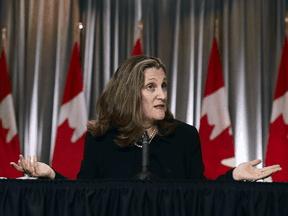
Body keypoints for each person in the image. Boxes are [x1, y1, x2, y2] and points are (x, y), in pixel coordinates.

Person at [11, 55, 281, 181]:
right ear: (130, 93)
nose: (161, 94)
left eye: (163, 86)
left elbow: (200, 196)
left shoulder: (185, 136)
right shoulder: (101, 139)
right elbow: (85, 197)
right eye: (151, 87)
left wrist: (234, 175)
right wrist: (51, 176)